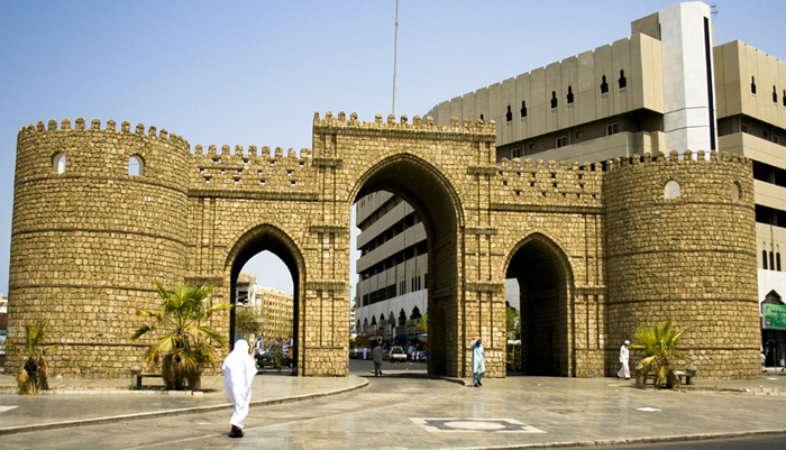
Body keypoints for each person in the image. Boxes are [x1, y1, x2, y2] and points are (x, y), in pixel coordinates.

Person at [222, 339, 258, 438]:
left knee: (238, 406)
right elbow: (253, 371)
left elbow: (224, 369)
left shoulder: (230, 357)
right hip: (243, 386)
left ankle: (236, 427)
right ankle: (236, 427)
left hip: (231, 386)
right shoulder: (247, 358)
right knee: (242, 406)